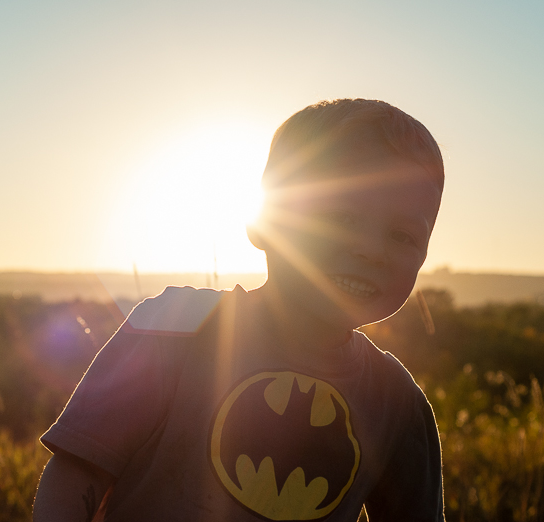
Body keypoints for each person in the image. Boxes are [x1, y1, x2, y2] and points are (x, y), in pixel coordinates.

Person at [33, 99, 446, 521]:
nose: (372, 250)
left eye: (403, 236)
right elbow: (79, 468)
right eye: (343, 218)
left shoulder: (398, 403)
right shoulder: (175, 326)